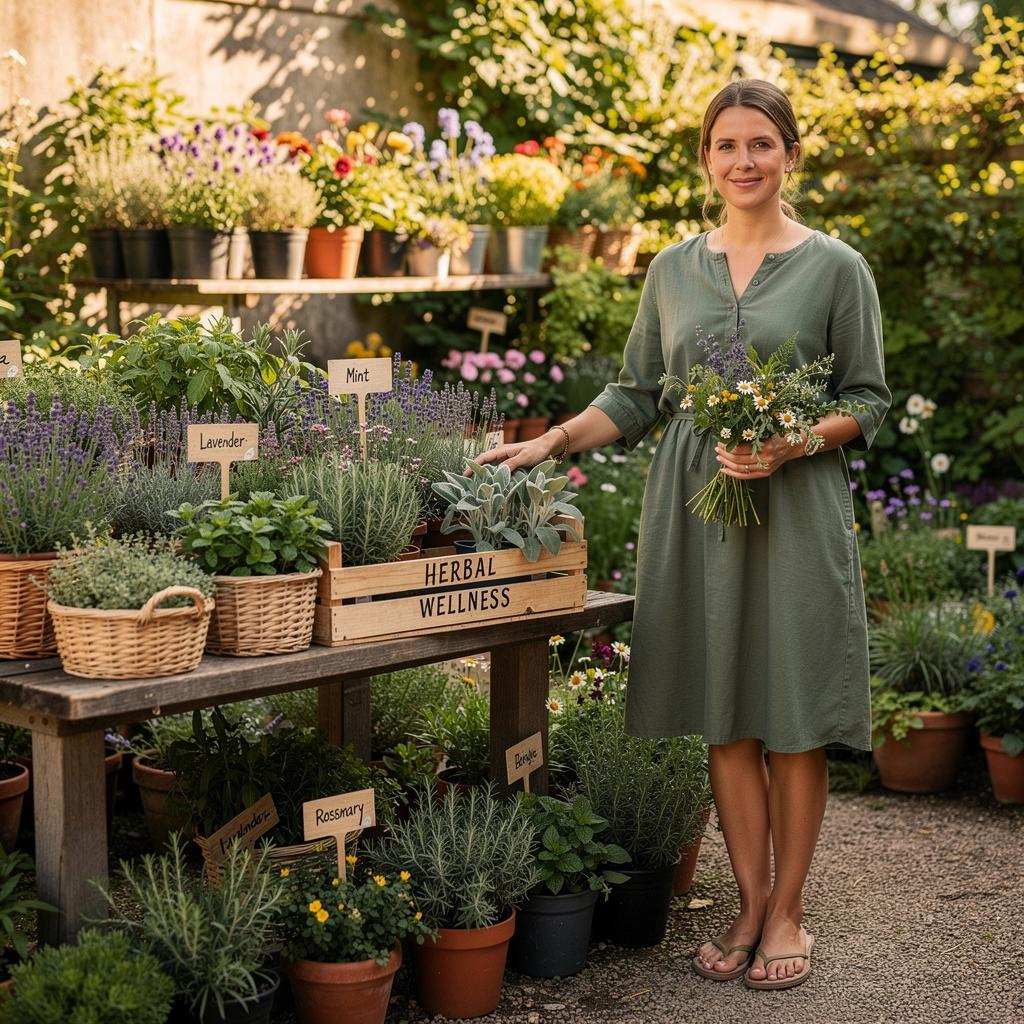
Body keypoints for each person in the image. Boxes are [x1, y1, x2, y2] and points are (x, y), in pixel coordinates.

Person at [475, 79, 891, 991]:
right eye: (726, 146)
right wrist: (549, 438)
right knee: (726, 712)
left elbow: (867, 400)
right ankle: (747, 905)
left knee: (792, 718)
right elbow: (635, 394)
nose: (744, 162)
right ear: (706, 160)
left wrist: (793, 441)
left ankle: (790, 912)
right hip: (698, 510)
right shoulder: (671, 269)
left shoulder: (835, 267)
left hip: (797, 506)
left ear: (790, 154)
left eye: (762, 145)